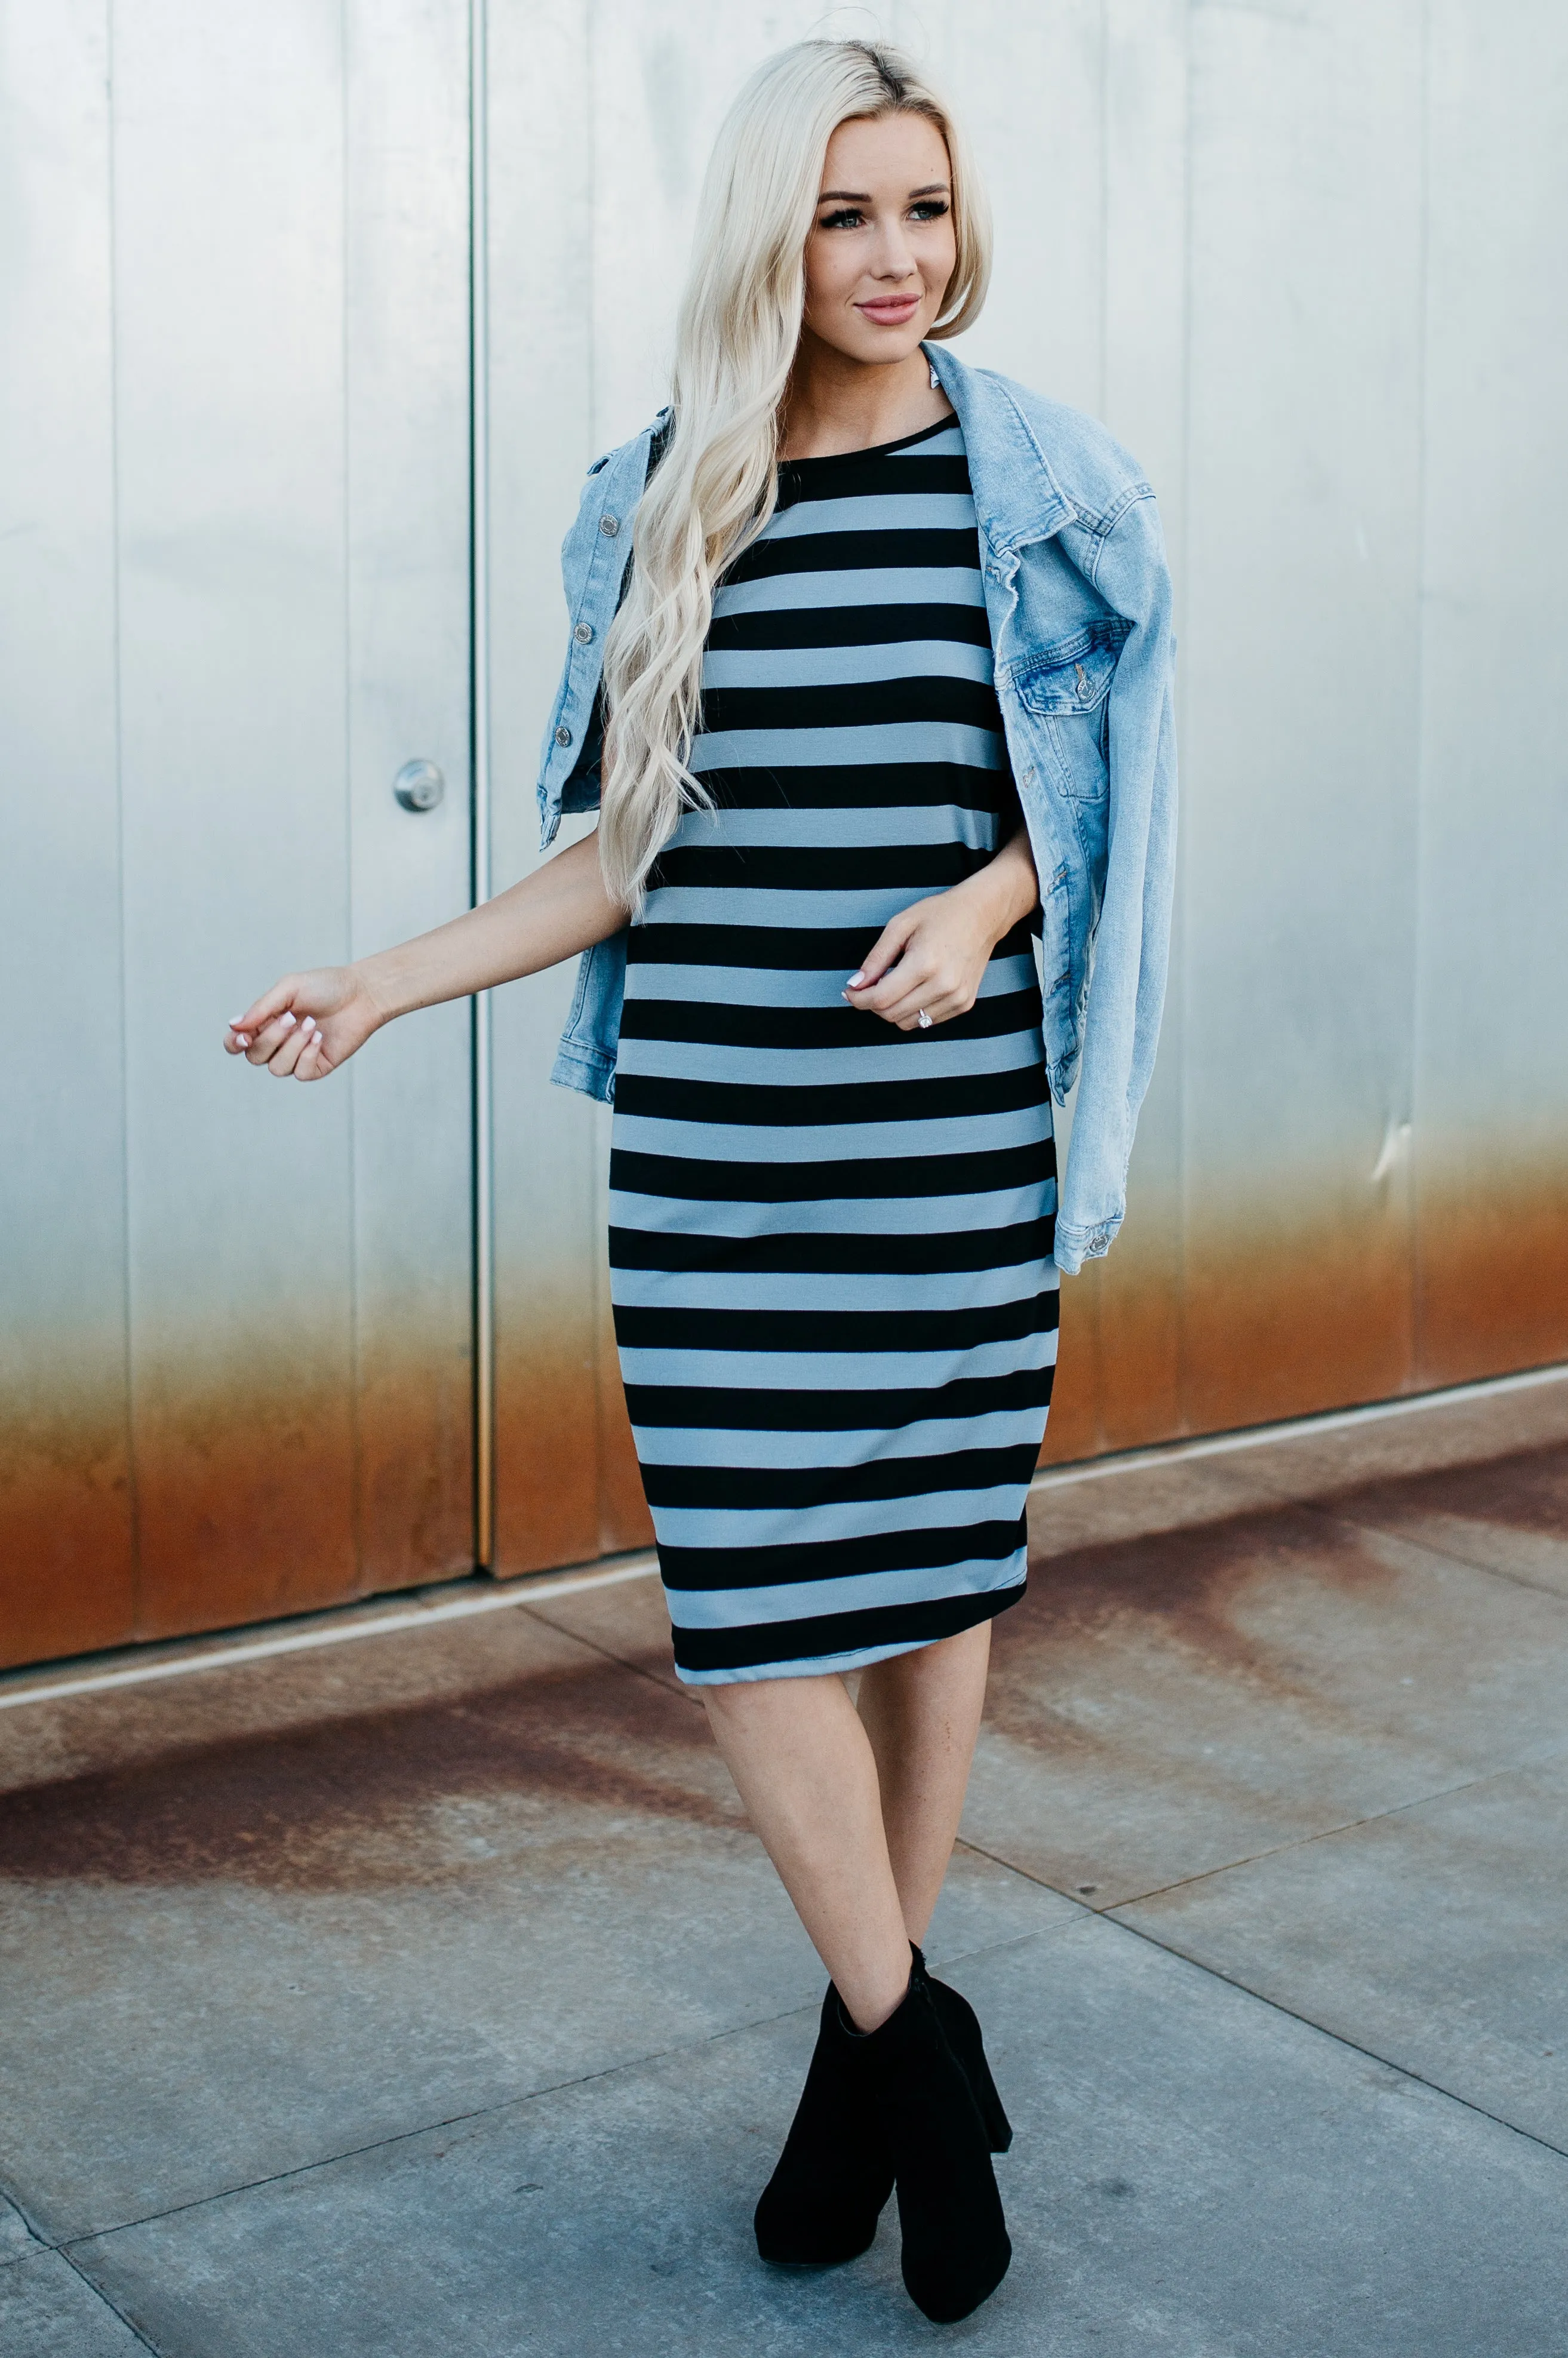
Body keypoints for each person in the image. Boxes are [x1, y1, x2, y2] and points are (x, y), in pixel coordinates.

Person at [225, 37, 1175, 2326]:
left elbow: (1123, 800)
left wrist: (987, 905)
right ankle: (923, 2060)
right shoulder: (667, 494)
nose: (897, 259)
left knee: (933, 1588)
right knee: (755, 1610)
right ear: (773, 231)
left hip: (945, 1156)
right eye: (849, 214)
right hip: (720, 1157)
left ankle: (855, 2076)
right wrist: (388, 974)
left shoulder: (1037, 484)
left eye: (927, 208)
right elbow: (618, 855)